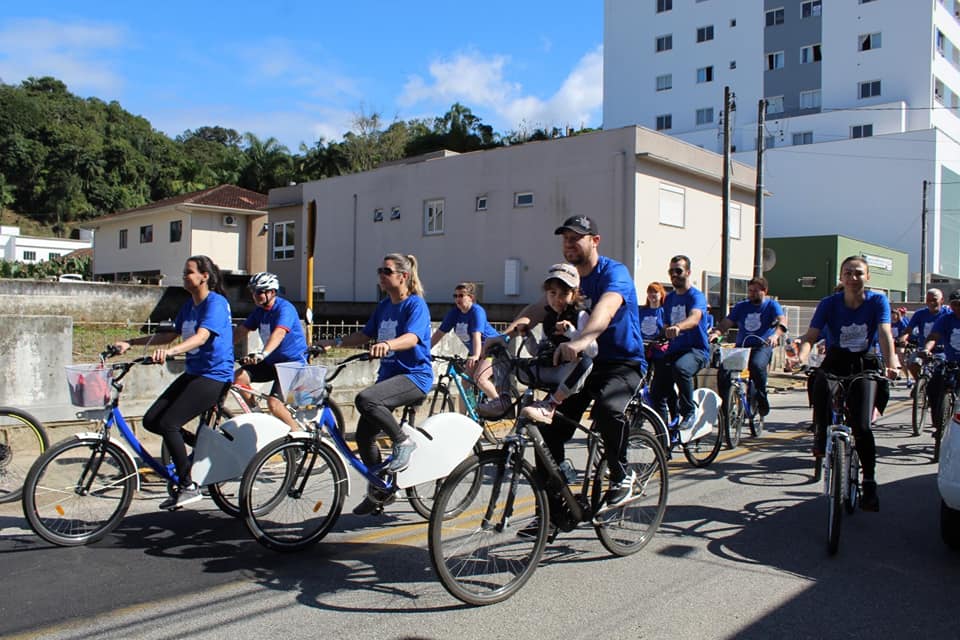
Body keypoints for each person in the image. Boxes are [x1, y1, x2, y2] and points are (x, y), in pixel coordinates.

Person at [500, 215, 646, 512]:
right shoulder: (569, 280)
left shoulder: (613, 273)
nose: (568, 243)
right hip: (581, 367)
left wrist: (578, 342)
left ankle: (622, 475)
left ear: (594, 240)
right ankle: (554, 513)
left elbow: (605, 310)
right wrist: (504, 336)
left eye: (576, 237)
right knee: (547, 431)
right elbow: (538, 308)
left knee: (607, 409)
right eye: (565, 238)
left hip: (621, 363)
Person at [315, 253, 432, 516]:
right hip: (389, 377)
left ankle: (402, 442)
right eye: (380, 270)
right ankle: (379, 489)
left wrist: (388, 344)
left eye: (387, 271)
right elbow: (365, 335)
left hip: (414, 377)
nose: (381, 274)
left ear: (403, 276)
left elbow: (413, 338)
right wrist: (333, 343)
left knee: (366, 400)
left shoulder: (415, 305)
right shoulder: (383, 307)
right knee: (365, 434)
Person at [114, 255, 234, 510]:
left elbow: (202, 337)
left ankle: (188, 485)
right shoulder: (189, 306)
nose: (184, 276)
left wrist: (171, 353)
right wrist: (131, 343)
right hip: (194, 373)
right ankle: (200, 447)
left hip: (214, 376)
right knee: (151, 420)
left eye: (189, 272)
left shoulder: (216, 303)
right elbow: (169, 334)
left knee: (169, 423)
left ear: (204, 276)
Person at [797, 255, 900, 512]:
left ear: (867, 277)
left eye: (858, 273)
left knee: (862, 426)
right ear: (841, 277)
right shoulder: (828, 303)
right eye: (848, 273)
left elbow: (885, 333)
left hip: (864, 363)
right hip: (836, 360)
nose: (853, 278)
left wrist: (892, 363)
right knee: (818, 380)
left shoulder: (877, 301)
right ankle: (821, 432)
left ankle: (869, 481)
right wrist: (801, 357)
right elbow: (811, 336)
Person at [517, 263, 597, 423]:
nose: (557, 299)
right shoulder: (549, 318)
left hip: (570, 373)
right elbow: (538, 351)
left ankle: (551, 404)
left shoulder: (580, 315)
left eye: (564, 293)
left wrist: (570, 331)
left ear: (574, 294)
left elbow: (593, 350)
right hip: (551, 369)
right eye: (552, 293)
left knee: (586, 363)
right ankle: (502, 398)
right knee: (509, 362)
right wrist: (526, 336)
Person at [233, 272, 308, 431]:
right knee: (238, 378)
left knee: (274, 404)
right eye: (253, 292)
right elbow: (241, 331)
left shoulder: (284, 308)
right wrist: (221, 348)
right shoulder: (259, 312)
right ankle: (258, 415)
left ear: (272, 292)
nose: (255, 295)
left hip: (292, 364)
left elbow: (279, 333)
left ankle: (297, 435)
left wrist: (263, 353)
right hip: (272, 363)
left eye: (259, 291)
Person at [709, 277, 787, 417]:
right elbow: (727, 322)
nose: (751, 294)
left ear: (764, 291)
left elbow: (782, 321)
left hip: (762, 346)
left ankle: (761, 397)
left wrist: (775, 335)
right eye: (750, 291)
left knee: (757, 366)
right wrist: (717, 333)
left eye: (755, 291)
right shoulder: (741, 306)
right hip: (742, 346)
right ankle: (725, 406)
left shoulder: (772, 305)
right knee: (724, 372)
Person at [650, 255, 711, 430]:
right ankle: (663, 435)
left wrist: (678, 327)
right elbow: (666, 325)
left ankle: (689, 411)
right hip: (674, 350)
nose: (674, 275)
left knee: (681, 368)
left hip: (696, 351)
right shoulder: (669, 299)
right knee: (656, 393)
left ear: (688, 272)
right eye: (671, 271)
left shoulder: (696, 296)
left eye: (678, 270)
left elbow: (694, 318)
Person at [430, 282, 505, 417]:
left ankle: (501, 406)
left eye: (461, 295)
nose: (457, 299)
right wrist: (424, 350)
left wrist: (476, 355)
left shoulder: (477, 311)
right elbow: (439, 334)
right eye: (455, 296)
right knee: (465, 382)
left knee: (480, 378)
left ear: (470, 297)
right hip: (476, 351)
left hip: (493, 349)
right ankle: (464, 419)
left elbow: (476, 335)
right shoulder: (454, 313)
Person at [920, 290, 960, 439]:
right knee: (933, 388)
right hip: (950, 362)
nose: (957, 308)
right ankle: (939, 425)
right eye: (954, 304)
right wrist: (926, 349)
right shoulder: (945, 319)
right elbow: (933, 337)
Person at [900, 289, 949, 385]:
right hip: (923, 349)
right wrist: (903, 338)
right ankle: (920, 384)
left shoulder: (947, 313)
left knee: (942, 374)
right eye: (928, 300)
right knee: (912, 363)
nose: (931, 303)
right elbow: (909, 329)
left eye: (934, 300)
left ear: (942, 300)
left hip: (942, 350)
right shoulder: (920, 313)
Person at [639, 282, 667, 365]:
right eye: (650, 292)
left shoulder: (664, 311)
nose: (652, 294)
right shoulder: (641, 311)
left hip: (657, 348)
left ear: (661, 294)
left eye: (655, 292)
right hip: (642, 347)